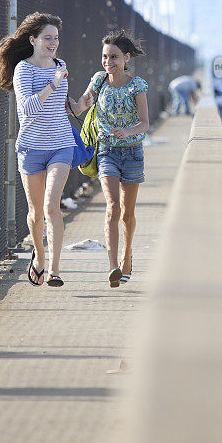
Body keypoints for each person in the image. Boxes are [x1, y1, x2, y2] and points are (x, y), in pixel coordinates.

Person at [0, 12, 91, 287]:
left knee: (51, 207)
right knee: (36, 213)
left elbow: (63, 106)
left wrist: (81, 104)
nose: (53, 43)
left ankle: (55, 271)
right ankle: (38, 257)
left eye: (56, 38)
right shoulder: (24, 69)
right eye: (48, 38)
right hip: (32, 148)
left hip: (61, 143)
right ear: (33, 40)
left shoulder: (60, 65)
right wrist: (53, 83)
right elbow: (27, 109)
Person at [82, 30, 149, 288]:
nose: (108, 61)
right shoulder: (99, 81)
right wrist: (70, 102)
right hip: (107, 151)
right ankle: (113, 267)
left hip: (132, 152)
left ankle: (127, 255)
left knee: (127, 214)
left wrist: (126, 131)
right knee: (113, 207)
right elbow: (83, 103)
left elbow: (145, 123)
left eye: (114, 57)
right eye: (105, 56)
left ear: (126, 58)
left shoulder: (137, 85)